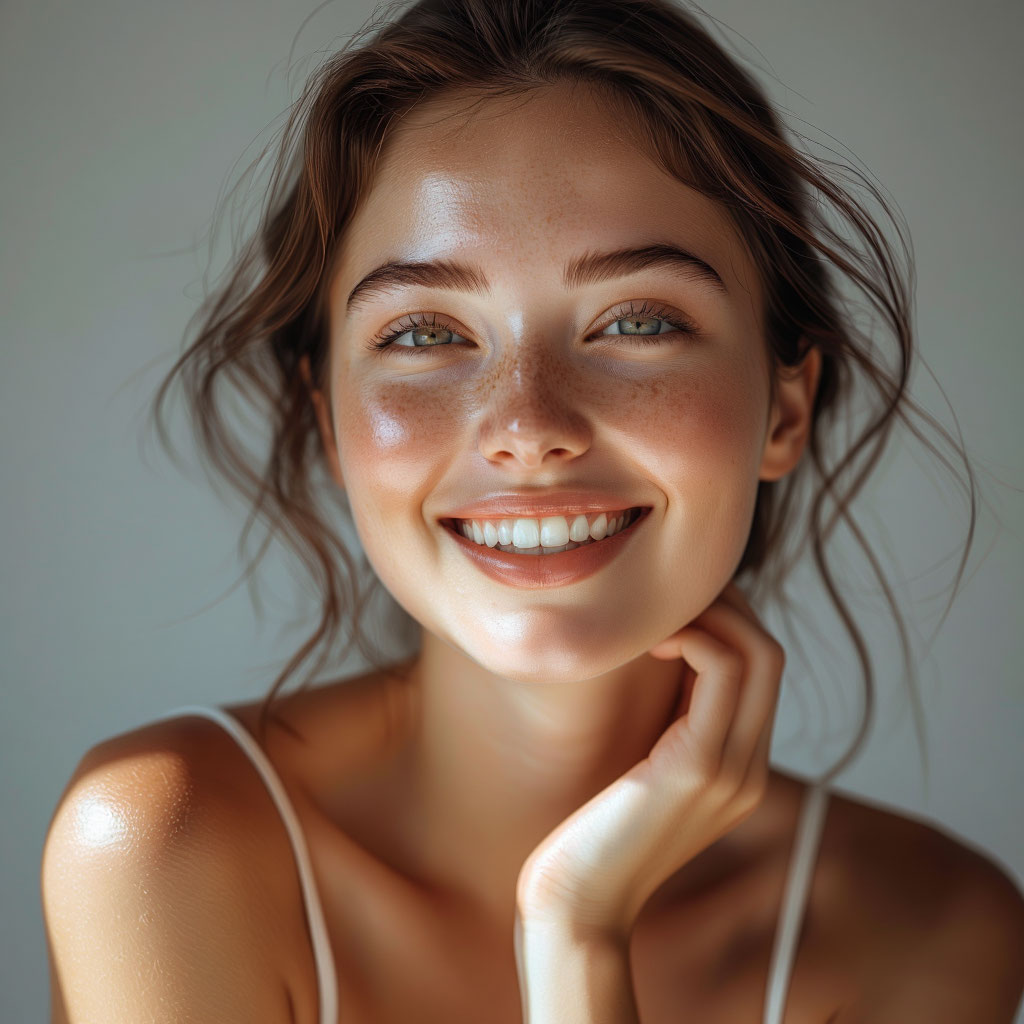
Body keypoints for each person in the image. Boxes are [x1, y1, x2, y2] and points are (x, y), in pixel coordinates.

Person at [40, 0, 1024, 1021]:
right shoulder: (164, 845)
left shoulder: (927, 929)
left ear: (784, 406)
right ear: (328, 419)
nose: (528, 425)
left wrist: (577, 932)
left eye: (636, 321)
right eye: (424, 332)